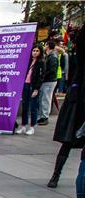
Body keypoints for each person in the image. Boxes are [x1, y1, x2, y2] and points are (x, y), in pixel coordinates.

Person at [49, 28, 83, 189]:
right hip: (78, 100)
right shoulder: (78, 55)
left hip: (77, 97)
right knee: (68, 141)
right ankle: (56, 174)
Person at [18, 44, 44, 136]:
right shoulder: (29, 61)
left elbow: (41, 77)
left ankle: (32, 127)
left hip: (33, 86)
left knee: (33, 107)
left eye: (37, 51)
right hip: (26, 85)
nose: (35, 52)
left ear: (40, 52)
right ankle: (23, 125)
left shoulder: (41, 62)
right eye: (34, 50)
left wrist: (36, 89)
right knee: (24, 106)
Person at [37, 40, 59, 125]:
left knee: (46, 99)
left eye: (45, 44)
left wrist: (43, 76)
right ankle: (43, 116)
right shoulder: (50, 56)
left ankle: (45, 117)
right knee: (44, 98)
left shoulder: (52, 56)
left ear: (48, 46)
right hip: (48, 80)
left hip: (49, 81)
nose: (44, 46)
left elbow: (52, 70)